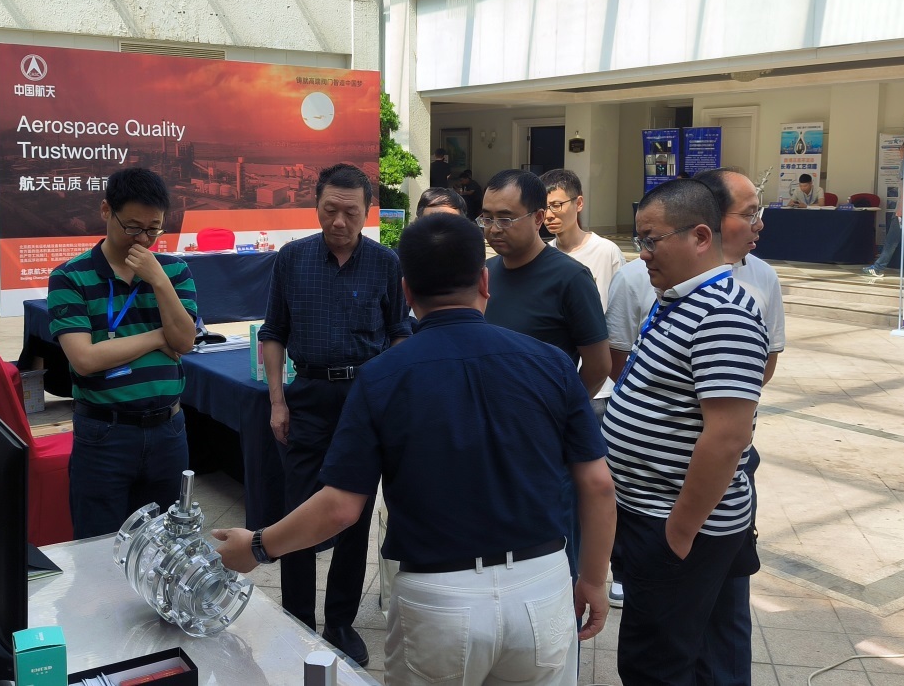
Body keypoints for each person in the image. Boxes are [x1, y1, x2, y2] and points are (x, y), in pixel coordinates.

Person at [214, 213, 617, 686]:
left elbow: (341, 507)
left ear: (406, 291)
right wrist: (593, 579)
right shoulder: (551, 363)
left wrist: (258, 546)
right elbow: (598, 484)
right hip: (542, 586)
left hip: (437, 598)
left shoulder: (382, 376)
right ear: (484, 281)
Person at [604, 179, 768, 686]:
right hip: (651, 514)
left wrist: (678, 531)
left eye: (652, 240)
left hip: (678, 525)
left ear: (699, 237)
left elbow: (727, 437)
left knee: (656, 663)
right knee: (675, 653)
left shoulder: (723, 315)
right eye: (640, 240)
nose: (643, 253)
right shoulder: (678, 300)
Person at [257, 163, 412, 666]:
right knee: (298, 509)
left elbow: (399, 332)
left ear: (368, 212)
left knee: (355, 514)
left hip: (365, 395)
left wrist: (389, 393)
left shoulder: (385, 262)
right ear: (316, 205)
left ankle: (340, 621)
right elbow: (273, 331)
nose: (339, 221)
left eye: (350, 212)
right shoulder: (292, 258)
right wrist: (278, 400)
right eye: (330, 210)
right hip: (308, 394)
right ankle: (297, 618)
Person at [47, 167, 197, 539]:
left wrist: (158, 279)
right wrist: (157, 336)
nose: (143, 239)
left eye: (153, 228)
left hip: (168, 431)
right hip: (104, 434)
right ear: (106, 211)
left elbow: (184, 341)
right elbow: (85, 359)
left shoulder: (175, 271)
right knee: (98, 546)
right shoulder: (70, 277)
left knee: (166, 547)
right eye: (132, 227)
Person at [480, 169, 609, 396]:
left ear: (538, 218)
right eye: (487, 218)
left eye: (505, 219)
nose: (494, 228)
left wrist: (565, 408)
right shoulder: (484, 272)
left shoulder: (571, 278)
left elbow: (598, 366)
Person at [541, 169, 625, 312]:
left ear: (579, 203)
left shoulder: (606, 252)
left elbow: (621, 309)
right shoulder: (543, 255)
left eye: (556, 205)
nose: (548, 215)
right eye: (543, 208)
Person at [864, 137, 904, 278]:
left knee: (891, 240)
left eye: (900, 148)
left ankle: (878, 268)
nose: (899, 151)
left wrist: (900, 210)